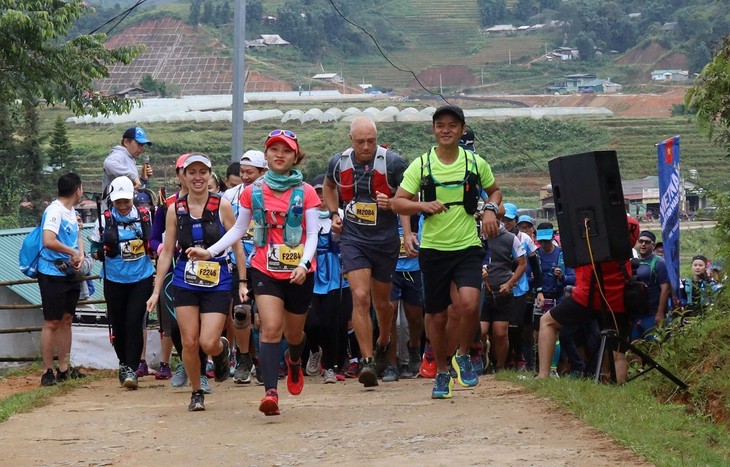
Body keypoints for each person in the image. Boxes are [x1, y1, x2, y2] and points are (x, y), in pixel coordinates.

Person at [187, 130, 319, 416]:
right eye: (274, 150)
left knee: (294, 334)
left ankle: (294, 361)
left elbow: (313, 236)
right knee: (270, 328)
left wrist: (303, 264)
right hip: (264, 268)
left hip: (298, 271)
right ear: (267, 155)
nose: (279, 155)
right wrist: (210, 251)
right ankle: (270, 392)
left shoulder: (306, 192)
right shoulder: (253, 192)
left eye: (286, 151)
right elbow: (237, 229)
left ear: (295, 156)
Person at [391, 104, 503, 399]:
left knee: (469, 303)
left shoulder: (475, 163)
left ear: (462, 129)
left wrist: (490, 209)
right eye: (440, 125)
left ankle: (463, 354)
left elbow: (494, 191)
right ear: (433, 129)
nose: (446, 130)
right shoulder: (422, 164)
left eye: (452, 125)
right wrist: (421, 207)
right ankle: (441, 371)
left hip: (467, 246)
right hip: (434, 249)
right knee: (437, 317)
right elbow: (397, 202)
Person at [145, 154, 246, 412]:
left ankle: (221, 349)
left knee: (207, 342)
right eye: (192, 172)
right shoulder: (174, 209)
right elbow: (166, 251)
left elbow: (237, 243)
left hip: (217, 279)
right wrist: (157, 290)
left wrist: (243, 281)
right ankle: (196, 391)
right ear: (184, 176)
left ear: (211, 175)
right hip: (185, 279)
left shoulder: (221, 205)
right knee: (189, 341)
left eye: (203, 172)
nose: (198, 177)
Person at [322, 116, 408, 387]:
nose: (366, 146)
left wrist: (393, 203)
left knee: (382, 303)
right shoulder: (339, 162)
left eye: (371, 141)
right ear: (351, 140)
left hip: (384, 240)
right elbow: (328, 186)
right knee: (359, 296)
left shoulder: (393, 162)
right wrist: (334, 213)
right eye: (361, 142)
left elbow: (410, 197)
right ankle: (368, 361)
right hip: (353, 238)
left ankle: (384, 339)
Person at [537, 216, 641, 383]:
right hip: (618, 298)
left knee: (547, 322)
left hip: (587, 295)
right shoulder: (630, 224)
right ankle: (617, 389)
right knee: (618, 353)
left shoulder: (590, 221)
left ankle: (543, 375)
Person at [90, 176, 155, 390]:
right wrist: (100, 253)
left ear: (133, 198)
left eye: (126, 201)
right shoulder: (104, 220)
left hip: (141, 278)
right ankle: (124, 363)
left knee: (134, 321)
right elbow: (93, 249)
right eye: (119, 202)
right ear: (112, 201)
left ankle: (132, 368)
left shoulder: (145, 217)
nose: (123, 206)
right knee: (118, 324)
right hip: (114, 278)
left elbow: (155, 242)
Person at [222, 150, 268, 384]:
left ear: (264, 172)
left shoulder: (272, 195)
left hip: (266, 262)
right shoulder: (229, 196)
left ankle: (263, 359)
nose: (246, 176)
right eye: (242, 172)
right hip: (238, 263)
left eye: (251, 172)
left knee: (263, 318)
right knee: (240, 313)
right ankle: (243, 358)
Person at [37, 173, 87, 386]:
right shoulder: (54, 211)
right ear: (77, 190)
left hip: (69, 272)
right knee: (52, 321)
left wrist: (80, 255)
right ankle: (47, 370)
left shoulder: (71, 211)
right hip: (51, 272)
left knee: (67, 319)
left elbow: (76, 237)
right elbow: (48, 241)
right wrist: (70, 252)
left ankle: (64, 368)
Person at [305, 174, 352, 384]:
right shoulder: (307, 216)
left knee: (332, 322)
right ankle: (314, 350)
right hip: (312, 273)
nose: (321, 197)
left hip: (336, 274)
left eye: (324, 193)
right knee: (312, 322)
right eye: (317, 193)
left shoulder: (342, 215)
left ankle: (331, 366)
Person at [480, 212, 526, 371]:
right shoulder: (476, 236)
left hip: (502, 291)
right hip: (481, 290)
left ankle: (500, 365)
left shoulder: (510, 238)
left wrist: (510, 283)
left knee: (500, 333)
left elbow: (522, 263)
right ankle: (481, 360)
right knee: (481, 330)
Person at [632, 230, 670, 340]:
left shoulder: (659, 262)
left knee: (654, 348)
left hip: (652, 314)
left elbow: (665, 289)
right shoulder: (633, 262)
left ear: (653, 245)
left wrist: (660, 313)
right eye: (641, 241)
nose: (643, 244)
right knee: (635, 347)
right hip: (636, 314)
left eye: (647, 242)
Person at [102, 127, 153, 200]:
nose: (141, 148)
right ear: (126, 142)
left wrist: (142, 178)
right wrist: (133, 176)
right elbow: (108, 163)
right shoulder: (119, 154)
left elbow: (135, 187)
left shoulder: (129, 158)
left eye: (142, 145)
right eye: (139, 144)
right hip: (113, 207)